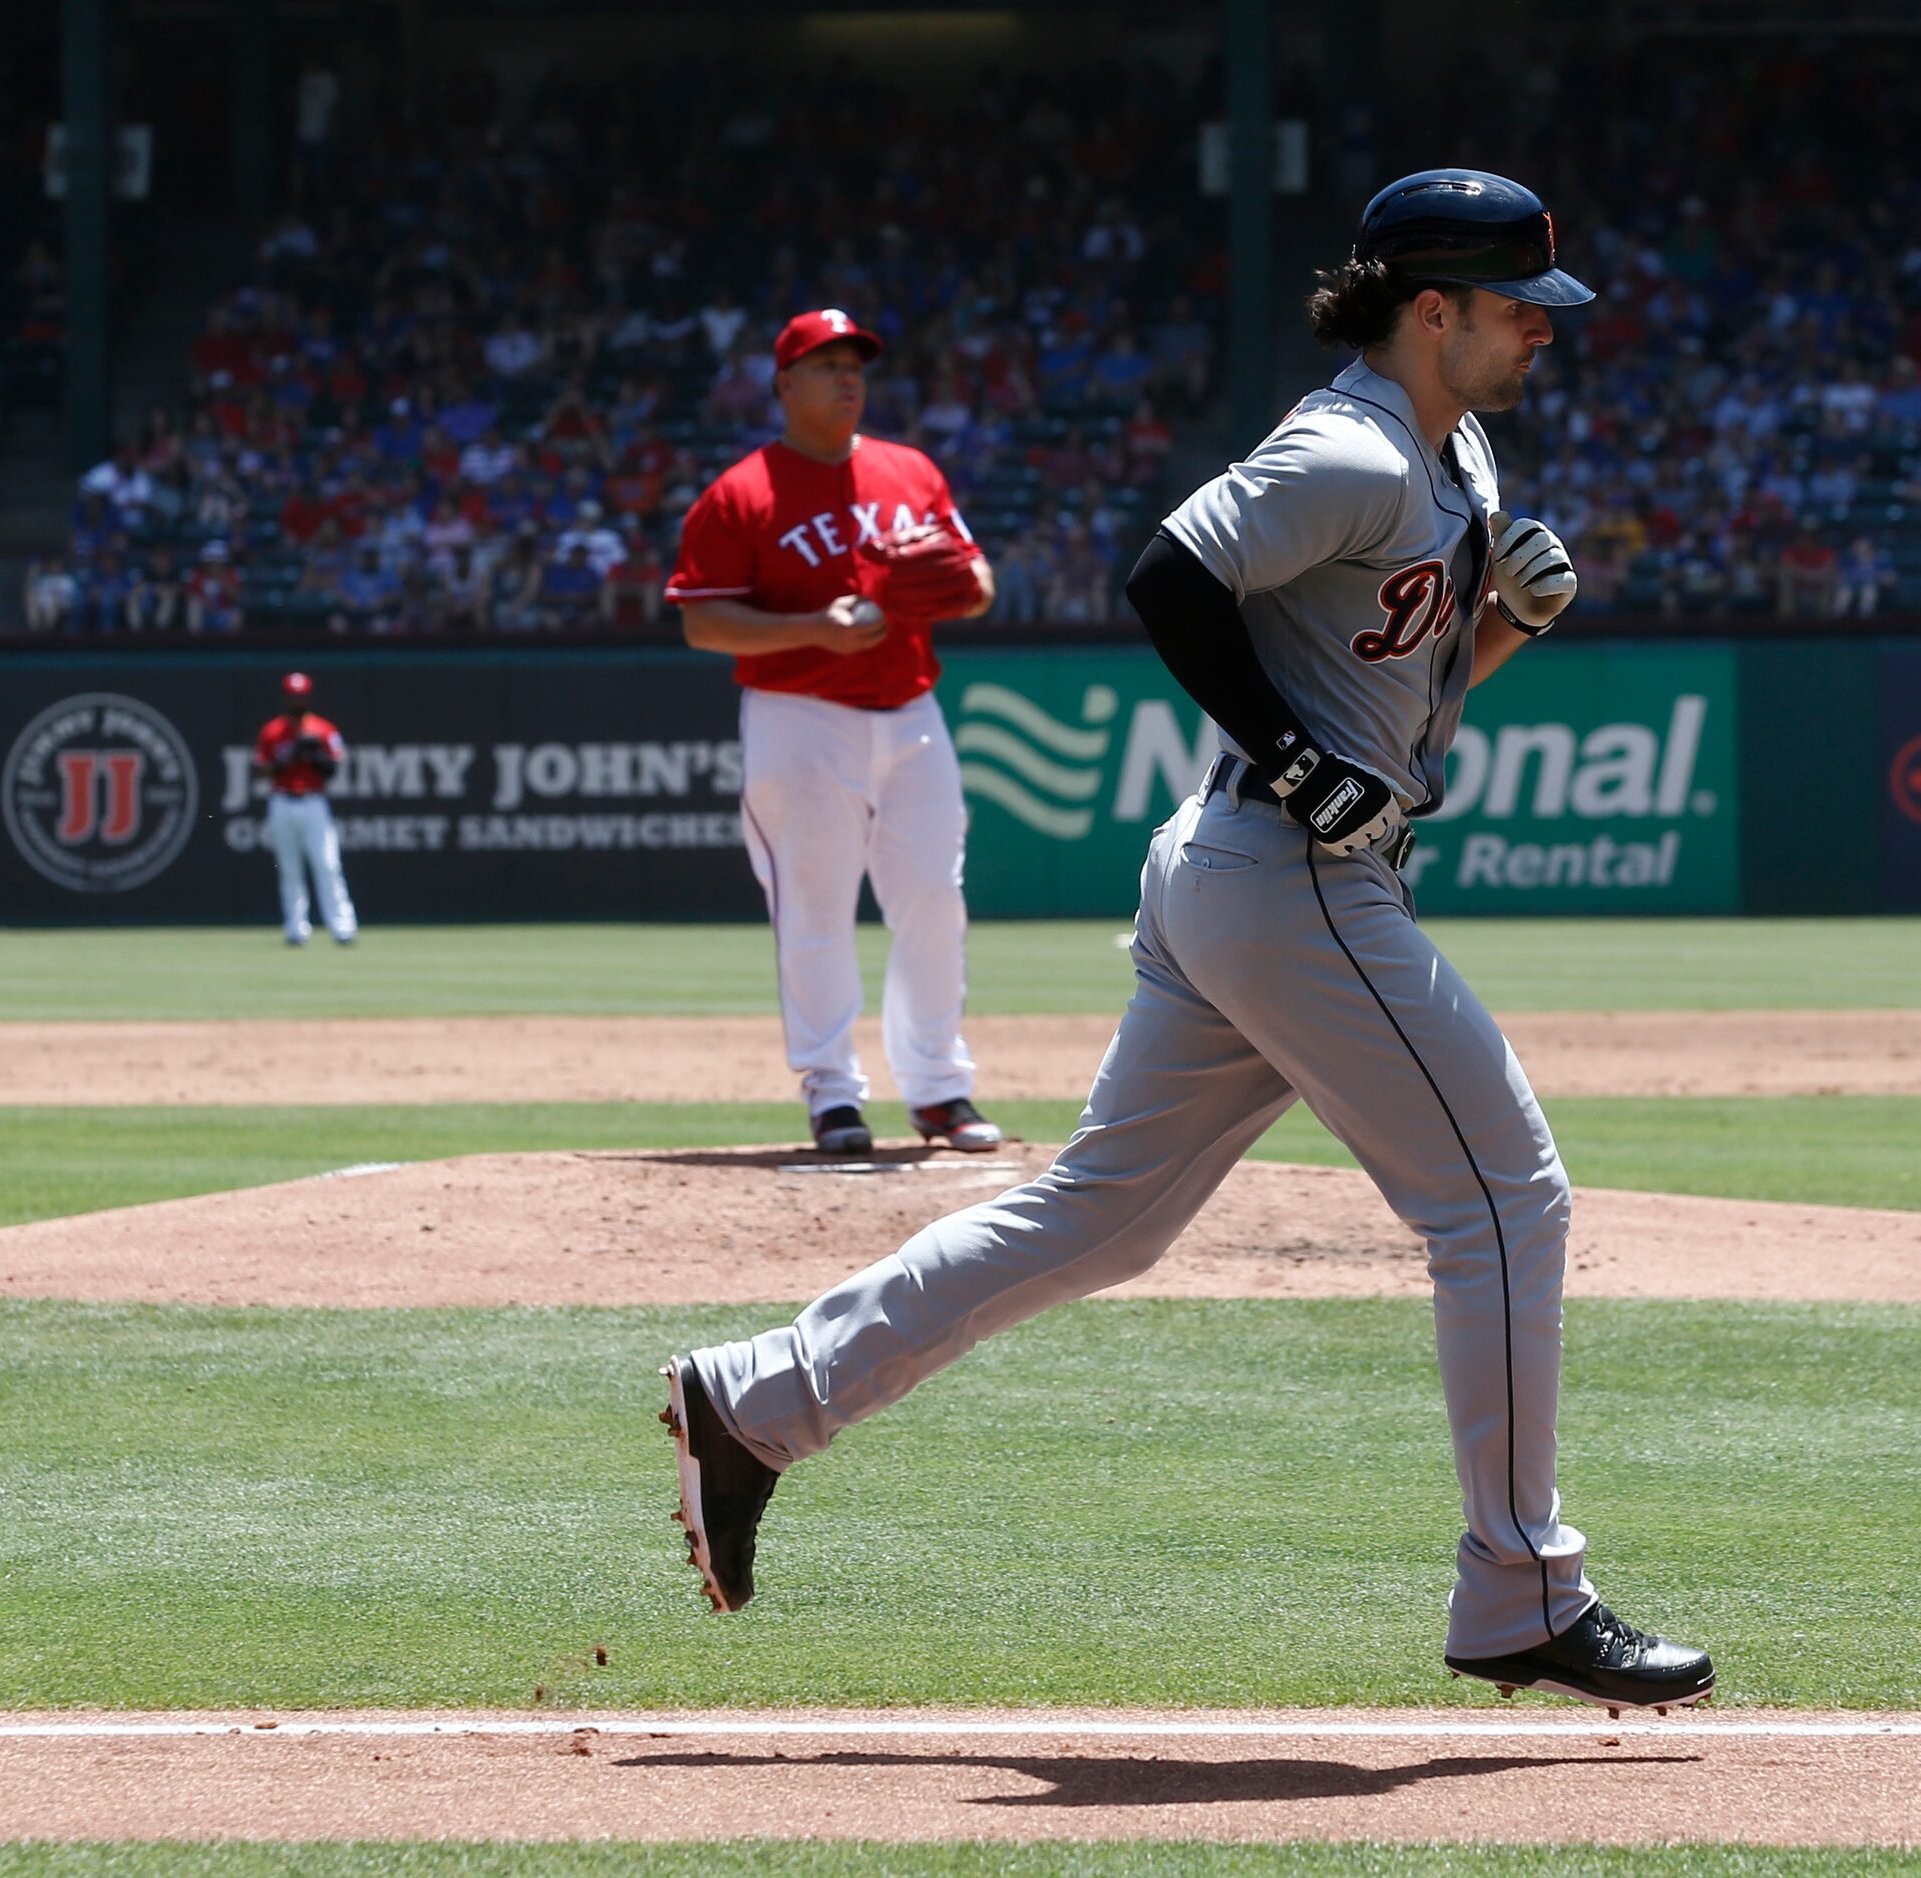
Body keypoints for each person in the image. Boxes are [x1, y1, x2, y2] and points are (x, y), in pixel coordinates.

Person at [658, 169, 1716, 1718]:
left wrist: (1500, 629)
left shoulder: (1457, 449)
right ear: (1430, 310)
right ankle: (1519, 1588)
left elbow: (1405, 711)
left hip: (1254, 870)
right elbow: (1166, 572)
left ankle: (754, 1403)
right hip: (1283, 873)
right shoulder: (1347, 444)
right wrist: (1291, 760)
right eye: (1512, 309)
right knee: (1503, 1198)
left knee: (1101, 1217)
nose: (1538, 335)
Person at [666, 308, 1003, 1156]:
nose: (847, 378)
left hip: (911, 713)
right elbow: (705, 625)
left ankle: (938, 1090)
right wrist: (814, 627)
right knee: (813, 909)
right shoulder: (740, 494)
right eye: (825, 366)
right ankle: (831, 1093)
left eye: (855, 364)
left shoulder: (911, 469)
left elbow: (978, 582)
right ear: (784, 385)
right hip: (800, 717)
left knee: (935, 900)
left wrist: (952, 591)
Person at [254, 671, 358, 946]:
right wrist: (287, 760)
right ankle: (296, 929)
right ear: (285, 697)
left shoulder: (323, 730)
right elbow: (259, 772)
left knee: (327, 864)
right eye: (292, 696)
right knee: (289, 869)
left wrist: (315, 756)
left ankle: (342, 927)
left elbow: (333, 767)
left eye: (300, 696)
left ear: (308, 697)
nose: (296, 701)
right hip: (282, 800)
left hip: (314, 802)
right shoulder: (273, 731)